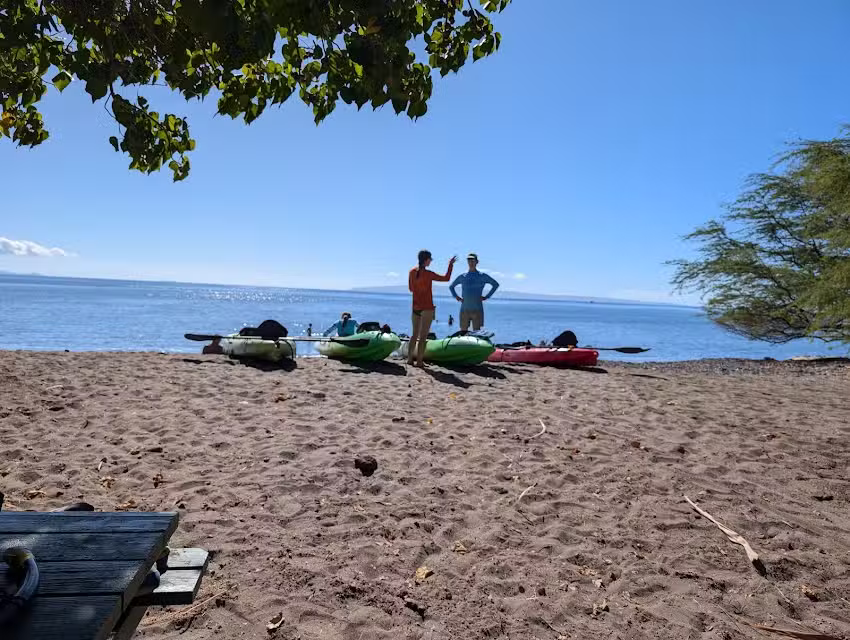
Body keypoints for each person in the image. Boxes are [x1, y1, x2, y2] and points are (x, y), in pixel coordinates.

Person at [408, 250, 456, 366]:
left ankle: (410, 360)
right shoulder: (428, 274)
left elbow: (411, 289)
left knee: (414, 335)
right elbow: (446, 278)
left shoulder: (412, 272)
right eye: (430, 259)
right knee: (423, 336)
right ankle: (419, 361)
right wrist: (450, 265)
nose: (431, 261)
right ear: (426, 260)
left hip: (415, 307)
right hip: (427, 308)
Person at [449, 253, 499, 331]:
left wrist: (486, 297)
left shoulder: (482, 276)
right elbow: (451, 287)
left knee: (477, 332)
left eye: (473, 261)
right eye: (469, 261)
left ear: (477, 262)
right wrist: (457, 297)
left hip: (477, 308)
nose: (471, 263)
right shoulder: (463, 276)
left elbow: (495, 284)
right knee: (463, 331)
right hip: (464, 308)